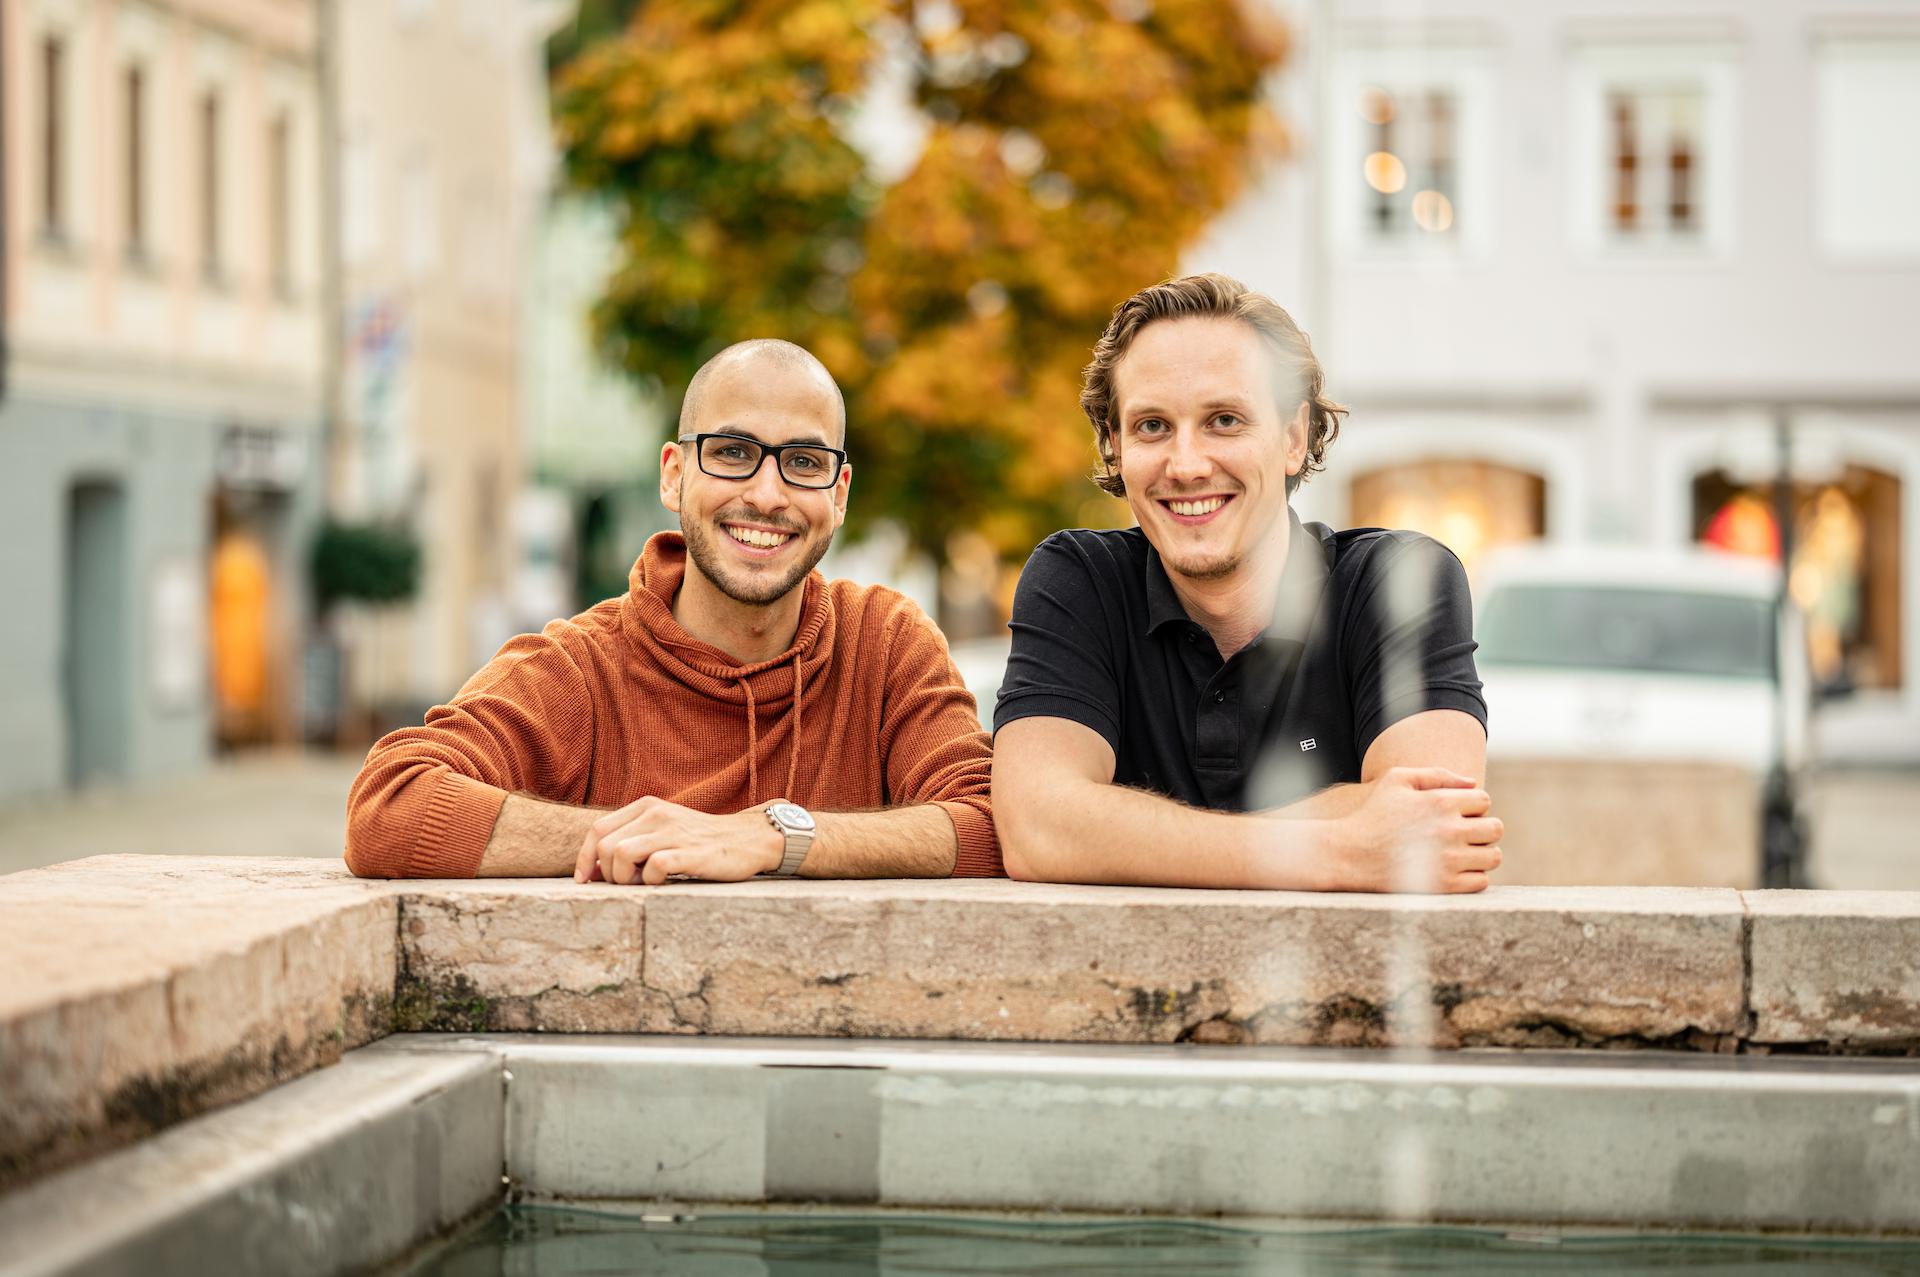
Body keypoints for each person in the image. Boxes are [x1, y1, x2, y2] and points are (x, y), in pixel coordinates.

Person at [346, 339, 998, 884]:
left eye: (803, 462)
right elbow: (389, 804)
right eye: (733, 452)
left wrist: (774, 837)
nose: (767, 494)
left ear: (840, 493)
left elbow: (990, 825)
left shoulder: (886, 644)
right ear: (673, 475)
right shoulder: (581, 666)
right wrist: (649, 837)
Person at [991, 274, 1500, 892]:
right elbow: (1038, 830)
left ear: (1293, 437)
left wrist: (1120, 829)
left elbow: (1431, 828)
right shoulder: (1078, 581)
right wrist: (1338, 848)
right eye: (1152, 426)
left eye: (1224, 420)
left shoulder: (1397, 582)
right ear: (1115, 447)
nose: (1187, 465)